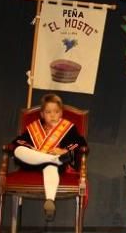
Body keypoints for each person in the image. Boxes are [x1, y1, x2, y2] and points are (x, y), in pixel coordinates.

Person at [10, 92, 87, 222]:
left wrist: (64, 150)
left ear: (61, 113)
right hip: (33, 163)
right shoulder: (34, 128)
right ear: (42, 114)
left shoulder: (68, 128)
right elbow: (17, 141)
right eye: (48, 112)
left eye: (56, 112)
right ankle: (53, 159)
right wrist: (31, 148)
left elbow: (81, 143)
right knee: (18, 150)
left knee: (51, 168)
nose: (52, 115)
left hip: (54, 165)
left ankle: (49, 201)